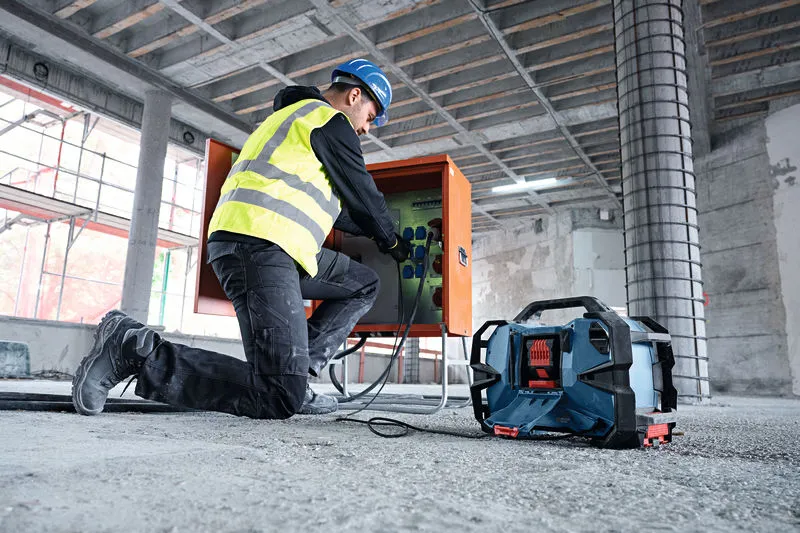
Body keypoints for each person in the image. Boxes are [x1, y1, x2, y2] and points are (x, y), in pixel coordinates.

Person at [72, 59, 412, 419]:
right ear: (355, 95)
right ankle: (135, 349)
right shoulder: (330, 120)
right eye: (371, 116)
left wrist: (376, 231)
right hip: (261, 243)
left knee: (362, 283)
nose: (367, 129)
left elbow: (334, 207)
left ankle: (299, 371)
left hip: (274, 242)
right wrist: (390, 240)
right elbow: (363, 193)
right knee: (279, 396)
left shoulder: (292, 120)